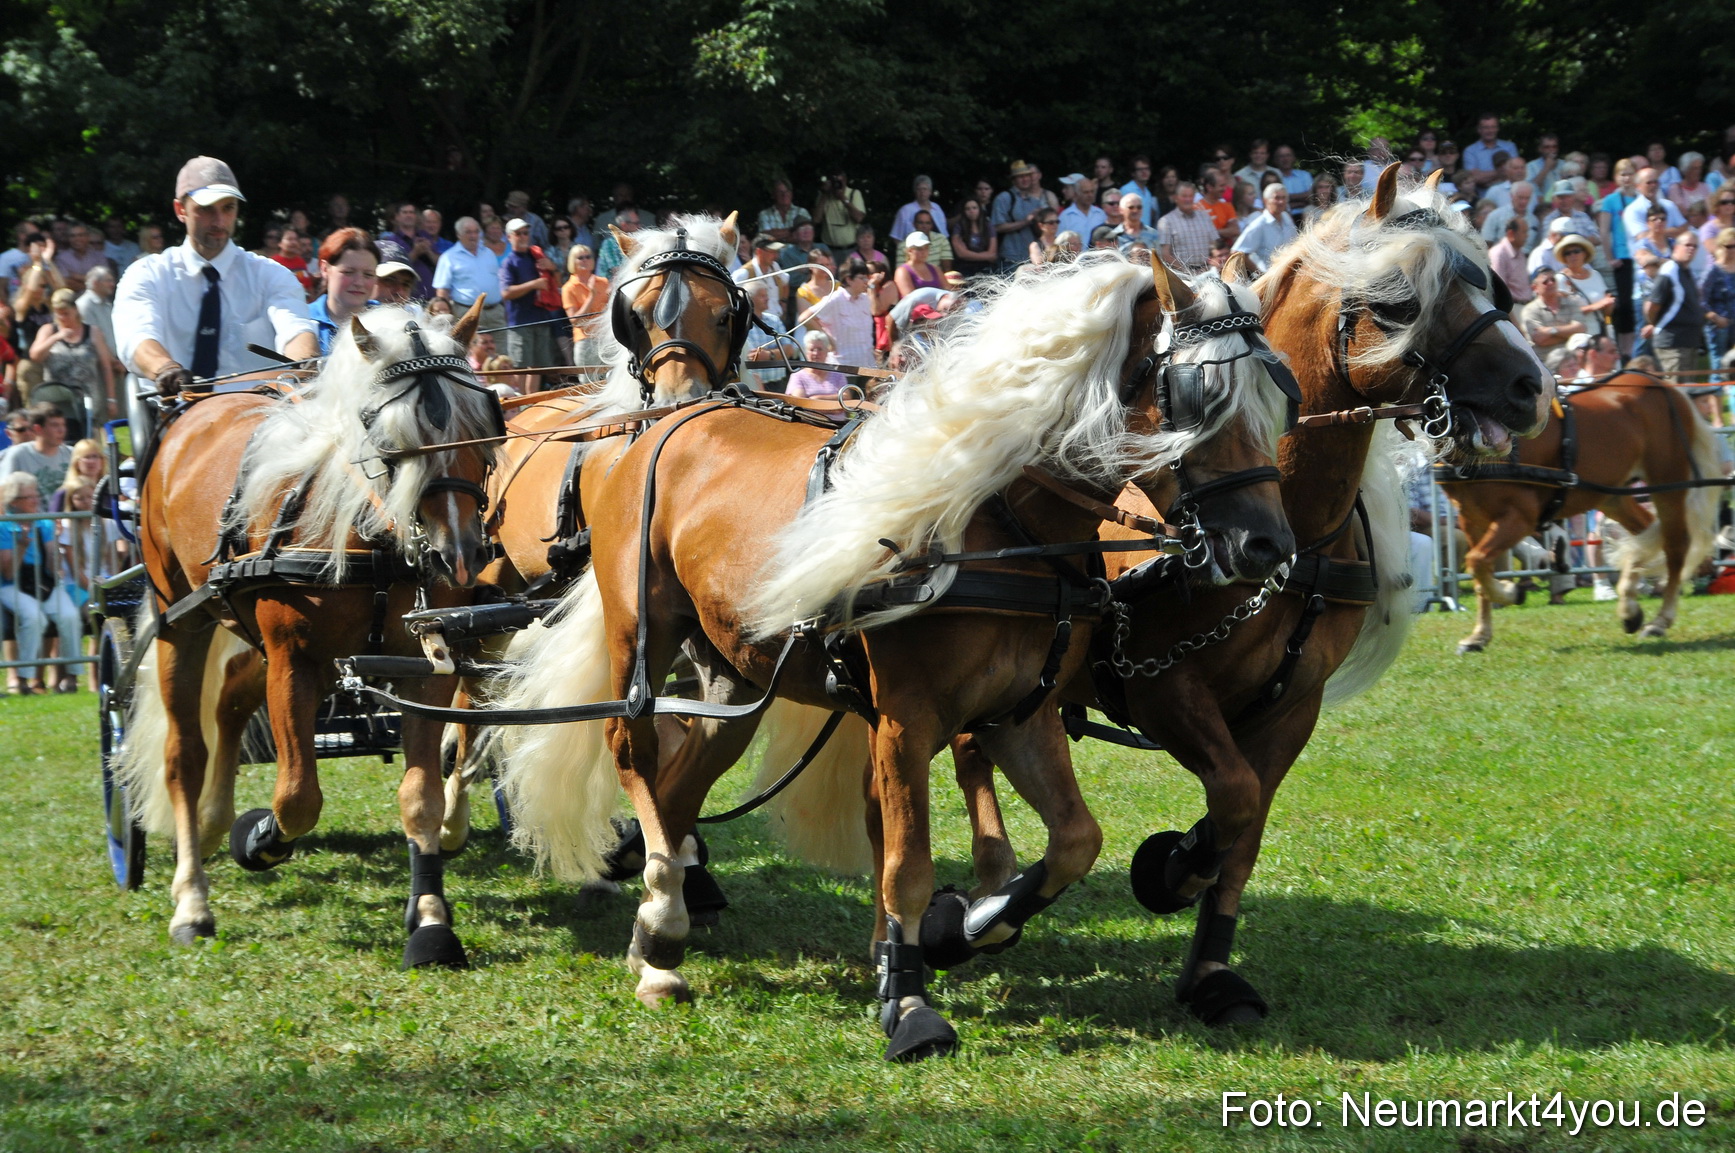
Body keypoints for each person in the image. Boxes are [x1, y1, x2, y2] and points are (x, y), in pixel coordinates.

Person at [113, 155, 317, 427]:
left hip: (260, 420)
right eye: (207, 209)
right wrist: (166, 369)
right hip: (174, 417)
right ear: (180, 210)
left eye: (229, 208)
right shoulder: (146, 274)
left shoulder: (272, 275)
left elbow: (295, 329)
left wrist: (304, 363)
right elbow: (138, 337)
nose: (220, 221)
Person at [0, 472, 84, 694]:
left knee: (69, 616)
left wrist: (55, 543)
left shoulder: (44, 523)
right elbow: (8, 573)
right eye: (30, 497)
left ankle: (72, 676)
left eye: (36, 495)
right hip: (12, 585)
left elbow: (50, 564)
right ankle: (23, 678)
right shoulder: (4, 526)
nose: (36, 500)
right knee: (33, 618)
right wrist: (22, 545)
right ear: (14, 501)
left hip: (43, 583)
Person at [28, 287, 114, 441]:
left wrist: (111, 399)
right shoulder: (48, 330)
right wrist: (56, 337)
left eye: (65, 312)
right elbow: (35, 356)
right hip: (58, 400)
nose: (62, 317)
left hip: (88, 399)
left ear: (75, 310)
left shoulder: (92, 332)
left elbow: (106, 366)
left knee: (88, 440)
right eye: (57, 312)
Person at [498, 217, 560, 373]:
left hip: (541, 317)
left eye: (526, 233)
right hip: (520, 322)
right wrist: (533, 284)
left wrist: (552, 267)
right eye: (518, 233)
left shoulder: (537, 255)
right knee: (521, 366)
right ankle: (522, 396)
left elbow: (557, 282)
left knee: (539, 367)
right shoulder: (509, 262)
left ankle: (535, 397)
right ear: (509, 237)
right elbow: (506, 292)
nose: (523, 236)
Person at [1644, 230, 1709, 377]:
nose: (1691, 249)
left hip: (1688, 341)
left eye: (1695, 246)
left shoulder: (1686, 272)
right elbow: (1652, 305)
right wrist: (1654, 324)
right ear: (1676, 247)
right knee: (1678, 391)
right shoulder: (1670, 270)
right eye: (1687, 245)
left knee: (1688, 391)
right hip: (1673, 344)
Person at [305, 229, 381, 354]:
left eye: (368, 274)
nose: (359, 282)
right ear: (324, 269)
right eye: (348, 272)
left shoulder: (388, 320)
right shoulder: (303, 320)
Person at [1598, 159, 1642, 353]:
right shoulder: (1611, 201)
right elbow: (1604, 230)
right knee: (1624, 305)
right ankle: (1625, 350)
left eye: (1630, 173)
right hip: (1622, 258)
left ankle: (1638, 348)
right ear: (1616, 177)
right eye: (1622, 174)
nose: (1626, 178)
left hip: (1640, 257)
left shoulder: (1641, 199)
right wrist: (1610, 257)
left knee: (1638, 303)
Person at [433, 216, 504, 332]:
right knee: (471, 349)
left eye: (476, 232)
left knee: (501, 349)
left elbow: (498, 282)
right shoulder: (448, 257)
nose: (473, 236)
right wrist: (444, 318)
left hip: (495, 312)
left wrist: (503, 309)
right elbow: (442, 291)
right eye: (468, 232)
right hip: (466, 312)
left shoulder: (489, 253)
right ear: (458, 234)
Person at [814, 258, 875, 367]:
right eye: (862, 278)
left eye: (867, 277)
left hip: (867, 365)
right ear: (849, 279)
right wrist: (828, 339)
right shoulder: (835, 299)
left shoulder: (865, 299)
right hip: (843, 367)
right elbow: (805, 318)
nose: (866, 281)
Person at [1522, 269, 1585, 373]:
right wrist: (1570, 335)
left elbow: (1580, 328)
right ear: (1535, 288)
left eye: (1553, 280)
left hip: (1574, 363)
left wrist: (1551, 331)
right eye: (1545, 282)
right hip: (1546, 365)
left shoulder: (1571, 303)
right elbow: (1539, 339)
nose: (1551, 283)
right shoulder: (1530, 310)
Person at [0, 403, 73, 492]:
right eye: (55, 425)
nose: (61, 430)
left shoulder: (71, 454)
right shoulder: (17, 455)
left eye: (63, 425)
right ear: (38, 429)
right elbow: (3, 493)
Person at [991, 160, 1047, 272]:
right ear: (1013, 180)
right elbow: (997, 227)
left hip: (1031, 259)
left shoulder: (1035, 201)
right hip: (1009, 259)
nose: (1025, 179)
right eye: (1020, 177)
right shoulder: (1004, 198)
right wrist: (1026, 221)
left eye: (1027, 176)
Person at [1555, 235, 1613, 340]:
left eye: (1576, 251)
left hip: (1600, 331)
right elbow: (1563, 312)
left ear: (1584, 253)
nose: (1572, 255)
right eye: (1567, 253)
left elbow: (1606, 311)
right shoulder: (1560, 279)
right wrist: (1595, 306)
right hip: (1578, 336)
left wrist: (1609, 304)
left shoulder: (1595, 275)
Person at [375, 201, 436, 300]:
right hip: (404, 295)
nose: (409, 215)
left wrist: (428, 251)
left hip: (430, 294)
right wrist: (415, 252)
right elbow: (394, 268)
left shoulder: (426, 236)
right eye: (405, 212)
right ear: (397, 217)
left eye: (411, 212)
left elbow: (439, 262)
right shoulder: (390, 240)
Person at [1229, 185, 1296, 272]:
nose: (1281, 201)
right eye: (1277, 198)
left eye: (1284, 198)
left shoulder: (1286, 217)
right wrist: (1259, 274)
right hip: (1270, 276)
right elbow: (1237, 252)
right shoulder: (1259, 224)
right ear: (1265, 201)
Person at [561, 245, 608, 368]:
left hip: (605, 339)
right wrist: (591, 297)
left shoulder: (603, 282)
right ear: (572, 261)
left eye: (588, 256)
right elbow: (575, 321)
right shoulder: (568, 288)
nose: (585, 260)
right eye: (580, 257)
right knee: (587, 385)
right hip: (585, 341)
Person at [1157, 182, 1216, 273]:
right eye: (1184, 196)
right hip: (1182, 274)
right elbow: (1165, 254)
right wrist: (1188, 271)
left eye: (1190, 196)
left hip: (1207, 270)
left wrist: (1210, 266)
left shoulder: (1205, 217)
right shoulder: (1166, 221)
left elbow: (1215, 245)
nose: (1188, 199)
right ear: (1176, 198)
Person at [1701, 226, 1735, 375]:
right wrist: (1715, 317)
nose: (1733, 250)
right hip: (1719, 327)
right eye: (1729, 246)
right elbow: (1700, 300)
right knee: (1719, 368)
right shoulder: (1712, 271)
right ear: (1721, 247)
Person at [1621, 169, 1686, 242]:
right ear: (1638, 186)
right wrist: (1672, 231)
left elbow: (1684, 229)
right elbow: (1643, 237)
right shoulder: (1632, 210)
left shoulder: (1669, 205)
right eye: (1649, 183)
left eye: (1656, 182)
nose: (1653, 185)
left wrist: (1656, 232)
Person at [734, 234, 789, 315]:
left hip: (777, 320)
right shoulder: (744, 272)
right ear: (759, 251)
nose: (776, 255)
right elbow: (732, 295)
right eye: (772, 252)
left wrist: (784, 301)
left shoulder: (775, 267)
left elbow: (786, 282)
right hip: (756, 324)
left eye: (776, 252)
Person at [1462, 113, 1520, 191]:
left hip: (1509, 195)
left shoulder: (1510, 147)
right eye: (1486, 127)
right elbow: (1473, 178)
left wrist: (1486, 178)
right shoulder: (1470, 151)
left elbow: (1516, 174)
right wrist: (1502, 171)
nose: (1490, 130)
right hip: (1481, 200)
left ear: (1497, 129)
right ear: (1479, 130)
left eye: (1493, 127)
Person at [76, 265, 118, 368]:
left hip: (115, 364)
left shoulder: (107, 304)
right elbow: (92, 340)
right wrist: (113, 362)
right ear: (95, 283)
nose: (112, 284)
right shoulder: (84, 304)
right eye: (108, 281)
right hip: (97, 367)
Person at [814, 169, 867, 251]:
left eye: (839, 182)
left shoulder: (854, 193)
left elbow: (859, 218)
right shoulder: (823, 196)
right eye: (834, 182)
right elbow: (816, 220)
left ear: (845, 181)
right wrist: (824, 195)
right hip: (828, 248)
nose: (837, 185)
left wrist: (843, 199)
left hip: (850, 248)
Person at [785, 329, 846, 400]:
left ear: (827, 351)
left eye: (820, 349)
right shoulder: (798, 376)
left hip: (837, 411)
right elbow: (800, 402)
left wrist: (817, 398)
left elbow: (846, 398)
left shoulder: (838, 375)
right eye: (812, 350)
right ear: (806, 352)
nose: (816, 353)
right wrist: (834, 400)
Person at [1489, 216, 1534, 311]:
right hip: (1512, 308)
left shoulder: (1520, 253)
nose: (1527, 236)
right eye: (1524, 232)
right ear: (1511, 233)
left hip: (1527, 306)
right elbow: (1499, 290)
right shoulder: (1499, 254)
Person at [53, 223, 109, 296]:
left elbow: (104, 280)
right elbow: (65, 283)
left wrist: (76, 276)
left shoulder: (99, 256)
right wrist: (93, 285)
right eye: (73, 236)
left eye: (81, 235)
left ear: (88, 237)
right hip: (73, 301)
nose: (77, 239)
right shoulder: (61, 258)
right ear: (68, 238)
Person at [949, 197, 997, 277]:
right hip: (965, 269)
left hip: (986, 269)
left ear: (979, 209)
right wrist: (986, 255)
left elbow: (993, 254)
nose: (971, 211)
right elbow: (961, 254)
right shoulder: (959, 227)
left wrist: (969, 254)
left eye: (974, 208)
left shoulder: (988, 226)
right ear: (964, 211)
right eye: (967, 209)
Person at [1482, 181, 1537, 247]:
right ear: (1511, 196)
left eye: (1527, 198)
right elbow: (1486, 242)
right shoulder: (1496, 216)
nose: (1524, 201)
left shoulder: (1534, 221)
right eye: (1520, 197)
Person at [593, 207, 642, 280]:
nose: (639, 226)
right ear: (624, 225)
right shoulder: (609, 243)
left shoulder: (636, 242)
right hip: (608, 288)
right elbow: (617, 272)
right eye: (636, 223)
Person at [758, 178, 811, 243]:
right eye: (780, 192)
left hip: (797, 252)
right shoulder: (764, 214)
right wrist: (793, 231)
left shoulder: (802, 212)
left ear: (791, 194)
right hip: (773, 252)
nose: (784, 195)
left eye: (787, 191)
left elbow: (806, 238)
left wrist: (775, 235)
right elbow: (764, 237)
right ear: (773, 195)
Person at [892, 232, 943, 297]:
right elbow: (910, 299)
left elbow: (948, 291)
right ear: (909, 251)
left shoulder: (935, 269)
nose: (924, 252)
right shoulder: (902, 271)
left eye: (926, 248)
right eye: (919, 249)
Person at [270, 228, 317, 299]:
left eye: (296, 239)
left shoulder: (301, 261)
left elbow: (309, 287)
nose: (293, 242)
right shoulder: (273, 263)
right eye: (289, 239)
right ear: (279, 243)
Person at [1272, 146, 1313, 222]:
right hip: (1283, 218)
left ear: (1294, 158)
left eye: (1288, 155)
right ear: (1276, 160)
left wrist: (1288, 199)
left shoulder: (1305, 175)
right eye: (1282, 156)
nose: (1285, 159)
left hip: (1307, 216)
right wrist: (1301, 201)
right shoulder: (1274, 178)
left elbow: (1311, 196)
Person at [1197, 170, 1239, 243]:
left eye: (1225, 185)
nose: (1225, 189)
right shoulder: (1197, 208)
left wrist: (1212, 231)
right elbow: (1200, 234)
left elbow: (1235, 230)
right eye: (1221, 186)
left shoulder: (1227, 206)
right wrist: (1225, 231)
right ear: (1209, 187)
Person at [1119, 156, 1158, 229]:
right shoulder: (1126, 190)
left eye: (1147, 168)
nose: (1144, 172)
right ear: (1133, 173)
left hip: (1145, 235)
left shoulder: (1148, 192)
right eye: (1140, 169)